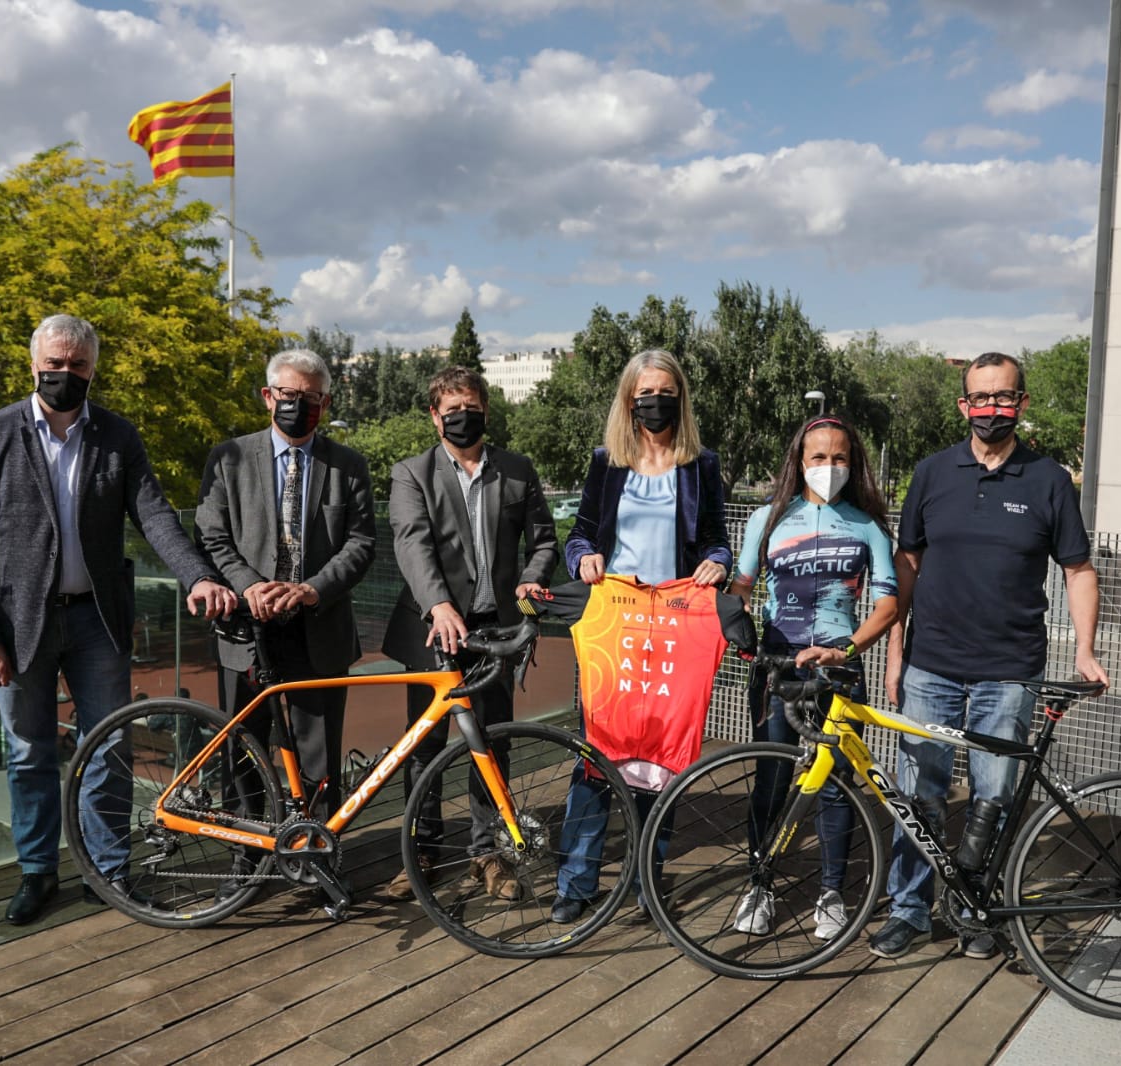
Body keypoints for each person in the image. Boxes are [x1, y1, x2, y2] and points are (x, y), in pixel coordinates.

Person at [0, 314, 238, 926]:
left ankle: (108, 872)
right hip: (18, 629)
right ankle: (37, 870)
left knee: (110, 748)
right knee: (29, 750)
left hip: (95, 622)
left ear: (93, 369)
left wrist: (200, 576)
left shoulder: (116, 436)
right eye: (55, 364)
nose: (64, 375)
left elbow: (154, 516)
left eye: (77, 366)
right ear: (33, 365)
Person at [868, 351, 1109, 961]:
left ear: (1021, 404)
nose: (992, 410)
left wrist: (1085, 649)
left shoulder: (1050, 479)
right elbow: (907, 567)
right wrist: (896, 655)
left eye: (1004, 398)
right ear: (964, 405)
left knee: (992, 796)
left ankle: (975, 910)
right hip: (930, 666)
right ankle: (909, 911)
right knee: (917, 793)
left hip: (1009, 670)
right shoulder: (931, 473)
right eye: (981, 398)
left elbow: (1078, 570)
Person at [553, 347, 732, 924]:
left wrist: (718, 563)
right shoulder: (607, 463)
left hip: (676, 627)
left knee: (663, 760)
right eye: (644, 393)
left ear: (680, 397)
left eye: (665, 392)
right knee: (595, 755)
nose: (655, 401)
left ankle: (647, 883)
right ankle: (576, 883)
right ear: (629, 400)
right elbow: (578, 535)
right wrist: (582, 557)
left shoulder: (700, 465)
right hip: (615, 625)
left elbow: (714, 540)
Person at [379, 365, 558, 902]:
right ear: (435, 417)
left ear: (486, 409)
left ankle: (489, 856)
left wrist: (531, 580)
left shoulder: (518, 471)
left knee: (490, 744)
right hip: (431, 629)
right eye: (451, 409)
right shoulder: (411, 473)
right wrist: (438, 604)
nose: (463, 417)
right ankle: (422, 852)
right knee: (424, 744)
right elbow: (411, 542)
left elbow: (545, 541)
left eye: (471, 407)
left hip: (493, 632)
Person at [194, 349, 376, 862]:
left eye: (311, 398)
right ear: (268, 397)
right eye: (289, 396)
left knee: (319, 754)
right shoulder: (228, 457)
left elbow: (361, 544)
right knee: (244, 749)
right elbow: (211, 534)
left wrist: (312, 588)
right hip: (245, 631)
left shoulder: (348, 465)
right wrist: (250, 585)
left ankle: (315, 855)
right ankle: (245, 856)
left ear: (326, 401)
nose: (299, 406)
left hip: (318, 626)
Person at [729, 414, 897, 939]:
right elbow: (739, 589)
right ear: (800, 462)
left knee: (836, 786)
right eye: (818, 457)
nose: (828, 466)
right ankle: (759, 883)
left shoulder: (868, 525)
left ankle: (831, 892)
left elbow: (888, 604)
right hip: (777, 668)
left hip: (839, 671)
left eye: (839, 457)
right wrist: (732, 630)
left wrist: (846, 647)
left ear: (854, 462)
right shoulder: (768, 519)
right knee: (771, 782)